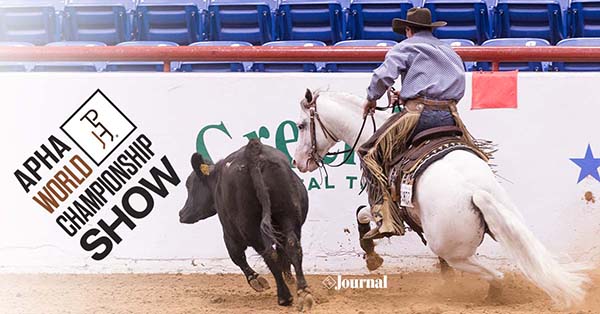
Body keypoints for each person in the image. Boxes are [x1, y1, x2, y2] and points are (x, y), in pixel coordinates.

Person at [358, 7, 480, 240]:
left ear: (408, 30)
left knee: (368, 153)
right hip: (451, 116)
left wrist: (371, 98)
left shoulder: (405, 46)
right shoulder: (450, 52)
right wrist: (406, 94)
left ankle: (386, 218)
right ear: (431, 29)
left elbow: (383, 76)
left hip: (418, 116)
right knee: (476, 152)